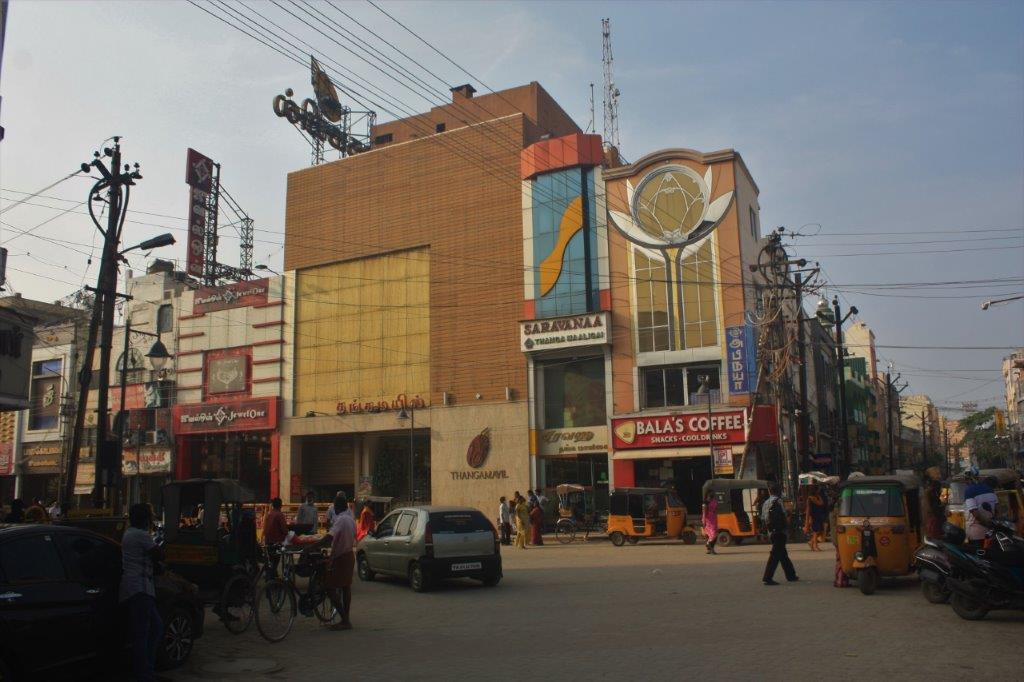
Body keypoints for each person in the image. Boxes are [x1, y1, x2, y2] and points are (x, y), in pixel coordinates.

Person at [120, 503, 163, 682]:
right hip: (140, 588)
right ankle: (143, 674)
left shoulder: (129, 533)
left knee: (154, 628)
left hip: (136, 587)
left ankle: (146, 669)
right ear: (145, 519)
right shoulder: (140, 535)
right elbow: (158, 554)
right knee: (144, 633)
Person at [305, 492, 356, 630]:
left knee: (329, 587)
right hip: (349, 555)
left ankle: (344, 619)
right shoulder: (351, 519)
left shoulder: (341, 520)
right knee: (346, 587)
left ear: (337, 507)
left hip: (340, 557)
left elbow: (329, 537)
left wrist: (312, 546)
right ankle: (346, 619)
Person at [761, 483, 798, 585]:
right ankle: (767, 577)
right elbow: (784, 515)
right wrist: (789, 513)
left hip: (772, 531)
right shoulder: (779, 501)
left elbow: (763, 518)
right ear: (779, 491)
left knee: (782, 554)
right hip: (780, 531)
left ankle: (791, 575)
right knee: (775, 555)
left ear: (770, 491)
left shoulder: (766, 503)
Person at [964, 475, 999, 549]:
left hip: (976, 532)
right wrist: (992, 524)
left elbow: (976, 514)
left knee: (978, 553)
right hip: (990, 532)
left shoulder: (969, 491)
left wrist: (987, 524)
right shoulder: (993, 492)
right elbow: (997, 511)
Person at [804, 485, 827, 551]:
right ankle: (815, 546)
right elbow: (821, 503)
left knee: (819, 531)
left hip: (818, 515)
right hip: (815, 516)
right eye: (818, 490)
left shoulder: (814, 497)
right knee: (816, 531)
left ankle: (811, 542)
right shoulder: (811, 498)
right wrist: (807, 520)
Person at [702, 490, 719, 555]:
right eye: (710, 494)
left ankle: (710, 548)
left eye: (712, 494)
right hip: (708, 520)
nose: (712, 495)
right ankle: (709, 546)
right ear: (707, 495)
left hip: (714, 519)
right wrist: (704, 521)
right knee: (712, 534)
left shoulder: (714, 501)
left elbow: (716, 509)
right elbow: (704, 513)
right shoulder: (705, 503)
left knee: (714, 535)